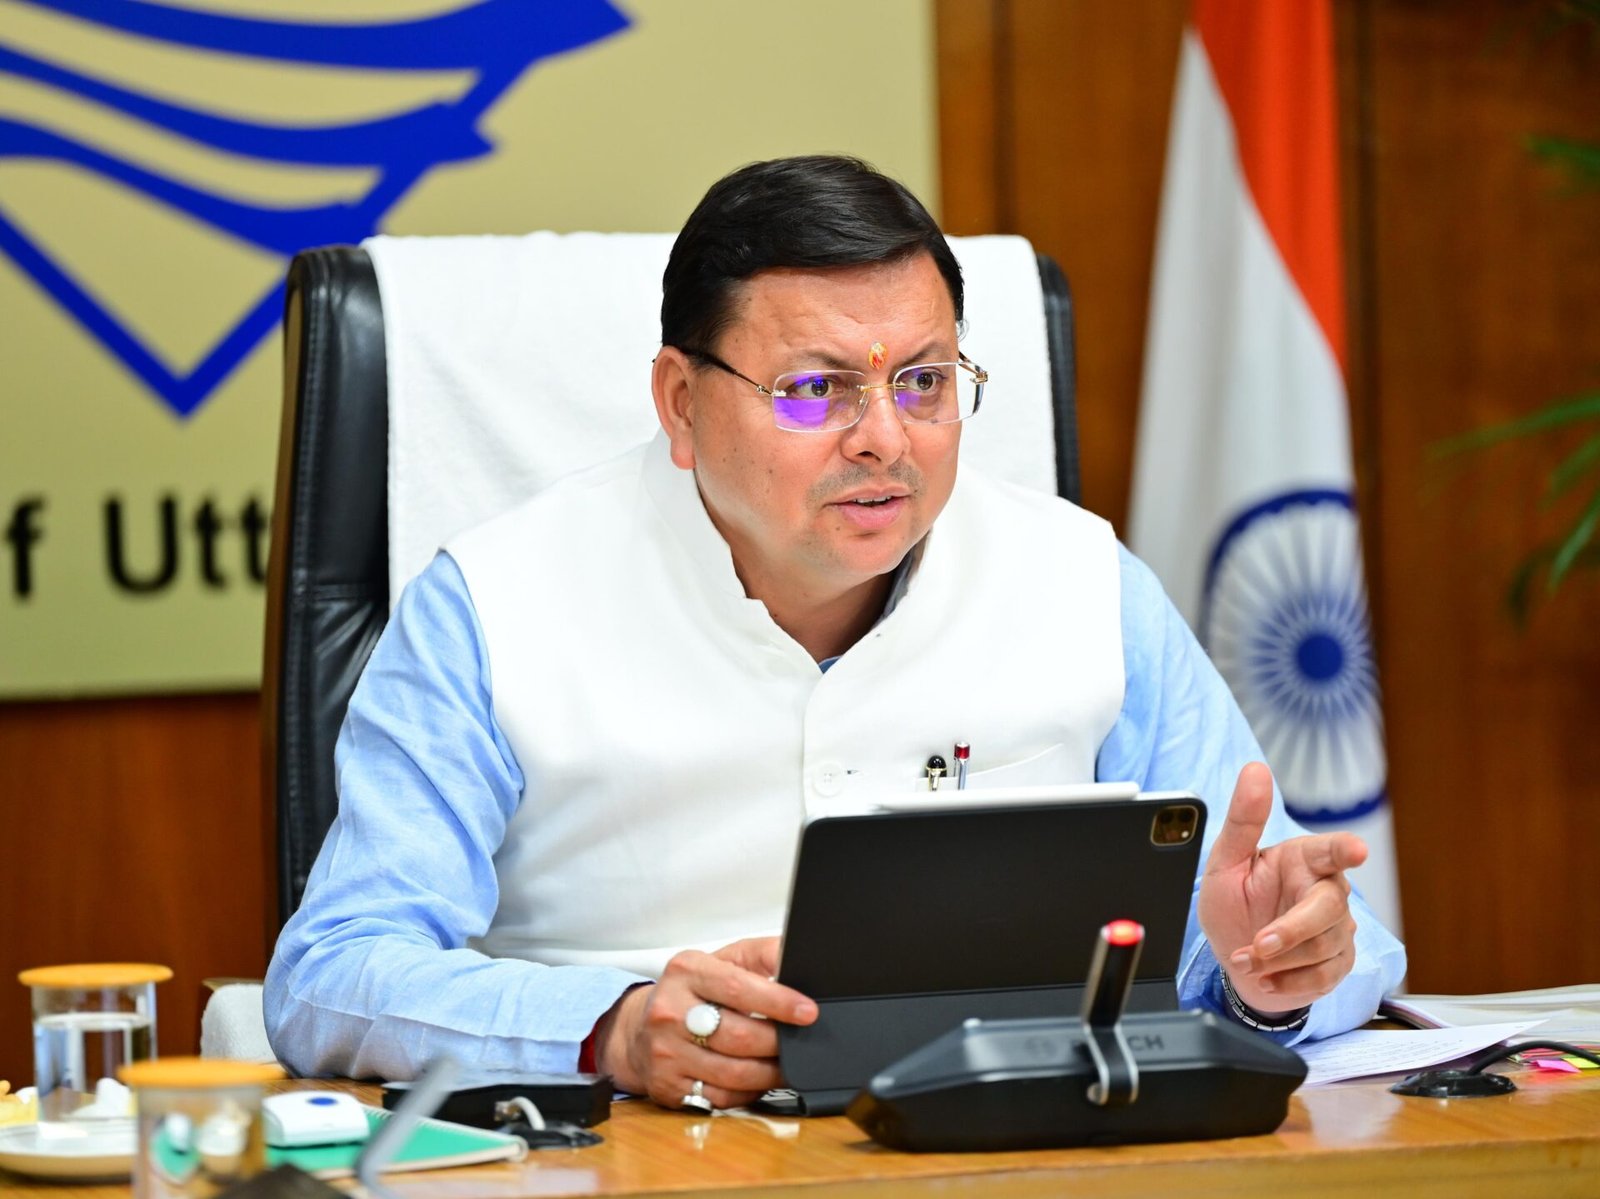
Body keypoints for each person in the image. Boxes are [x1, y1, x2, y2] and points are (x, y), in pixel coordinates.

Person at [265, 155, 1406, 1112]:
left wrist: (1267, 971)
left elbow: (1313, 932)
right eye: (814, 390)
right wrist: (608, 1026)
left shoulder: (1082, 579)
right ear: (680, 402)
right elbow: (335, 969)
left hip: (1007, 1154)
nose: (884, 440)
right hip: (635, 1156)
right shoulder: (493, 603)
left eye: (923, 381)